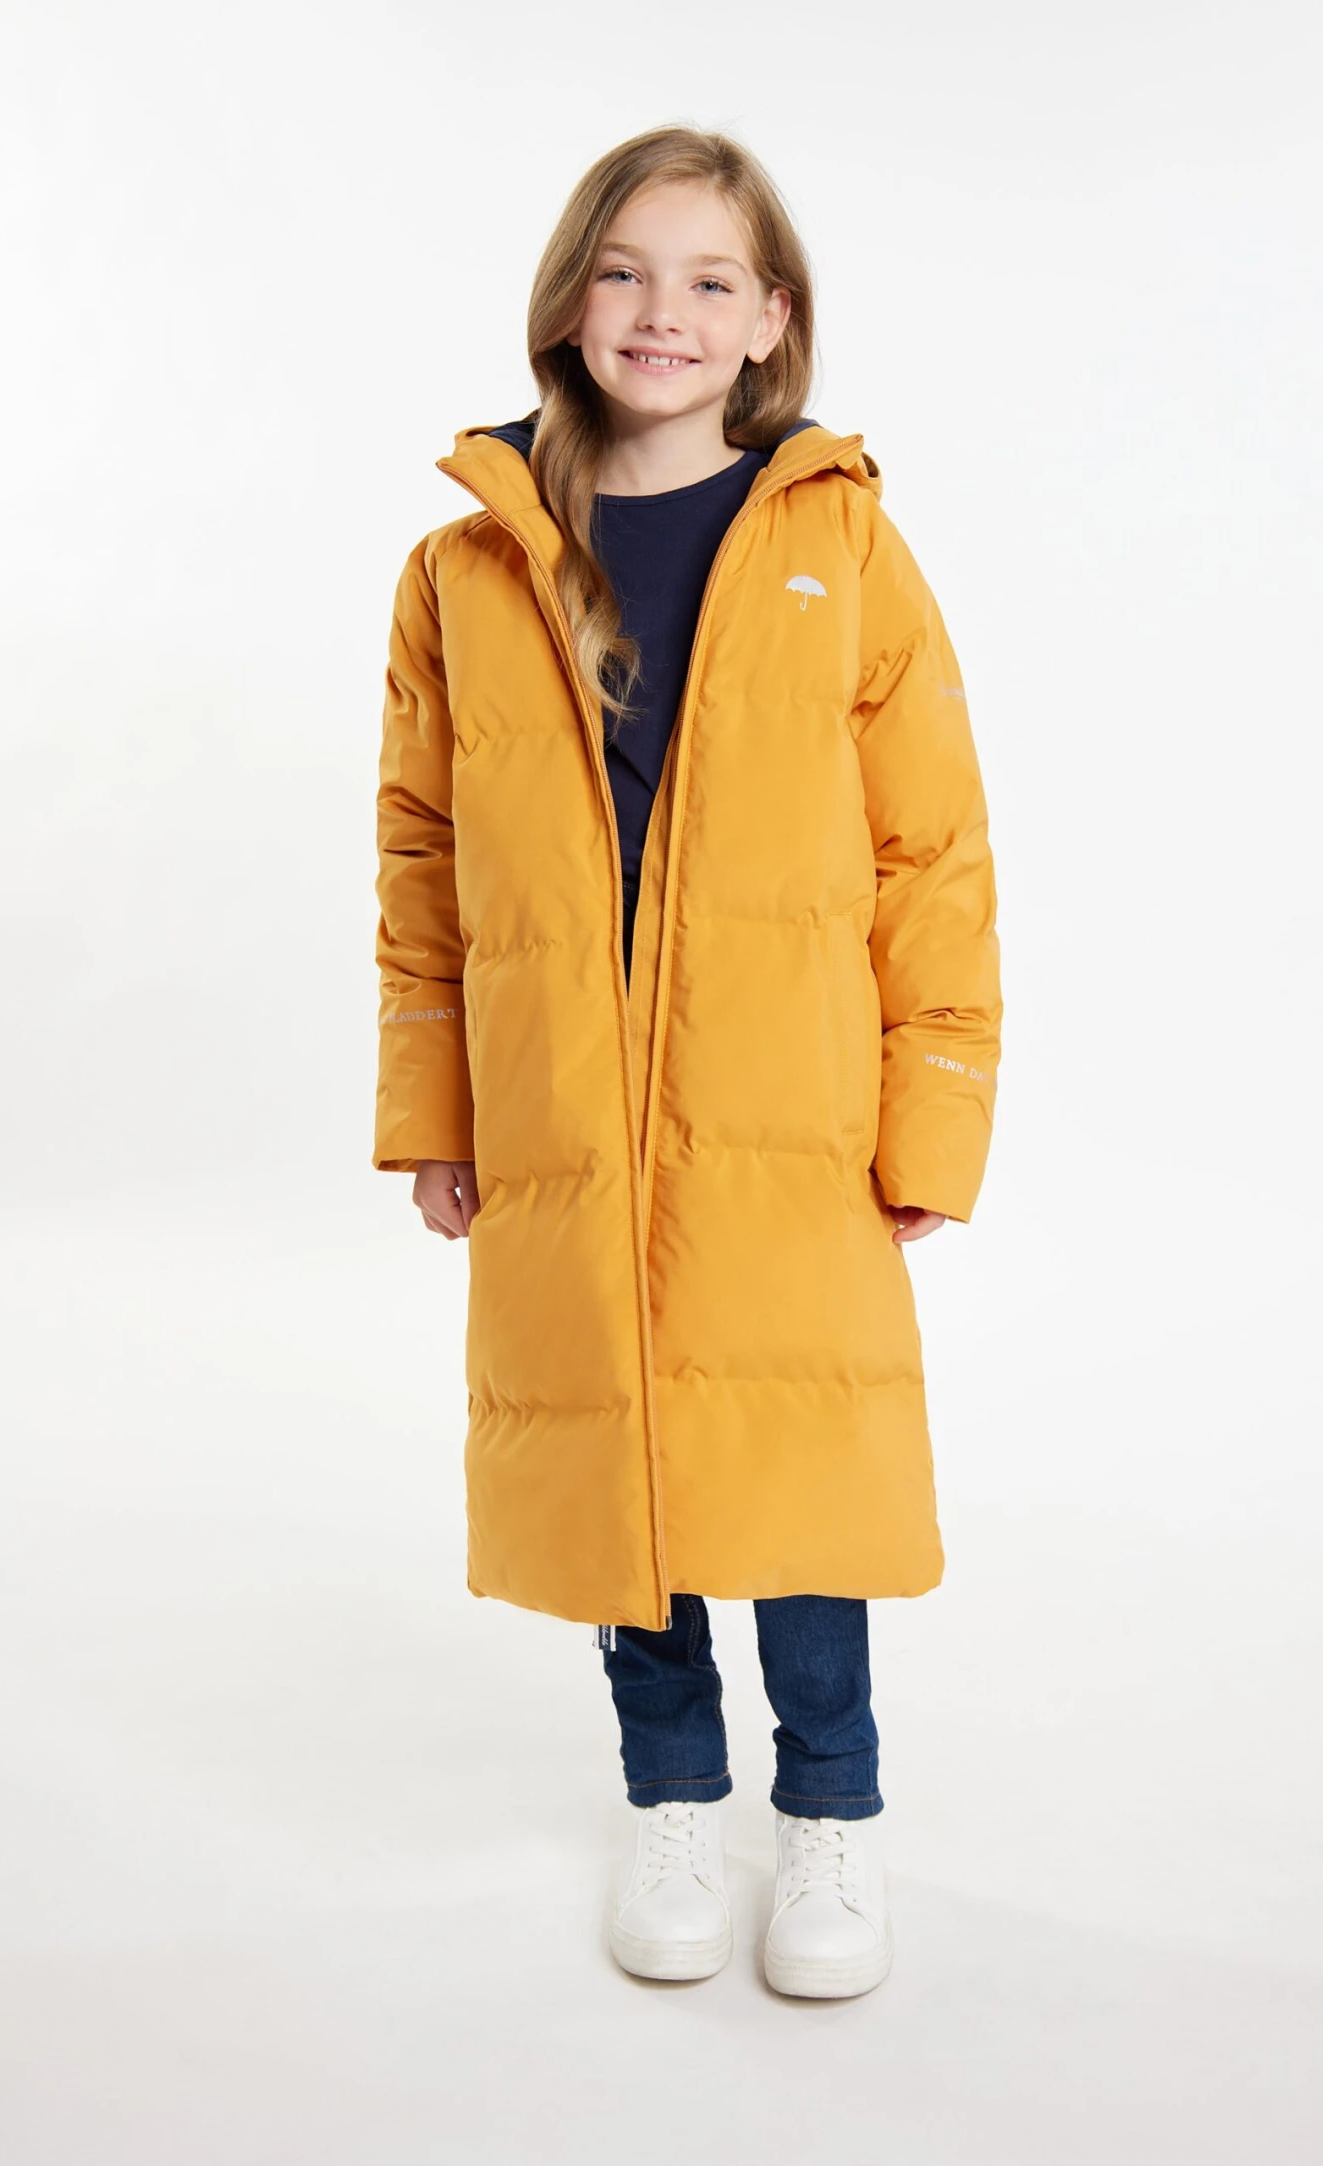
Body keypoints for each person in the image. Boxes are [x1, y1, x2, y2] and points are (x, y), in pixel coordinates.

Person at [372, 125, 1002, 2000]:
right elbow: (421, 853)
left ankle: (830, 1814)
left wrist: (931, 1120)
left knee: (793, 1458)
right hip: (567, 1102)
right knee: (616, 1454)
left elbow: (932, 849)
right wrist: (436, 1109)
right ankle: (671, 1797)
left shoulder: (840, 544)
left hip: (785, 1105)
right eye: (627, 270)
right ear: (571, 299)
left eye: (711, 278)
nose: (665, 311)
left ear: (771, 318)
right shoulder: (466, 566)